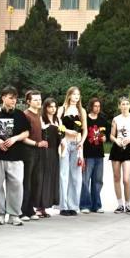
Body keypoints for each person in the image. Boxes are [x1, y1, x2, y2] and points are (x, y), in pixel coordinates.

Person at [0, 86, 28, 226]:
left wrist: (15, 138)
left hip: (16, 155)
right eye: (11, 98)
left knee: (16, 185)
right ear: (3, 97)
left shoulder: (20, 114)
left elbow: (26, 132)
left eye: (15, 98)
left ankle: (14, 214)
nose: (13, 101)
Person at [57, 87, 86, 216]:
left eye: (78, 94)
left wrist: (82, 142)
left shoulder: (81, 110)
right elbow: (57, 125)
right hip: (65, 144)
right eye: (74, 94)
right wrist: (67, 131)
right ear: (69, 95)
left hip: (77, 144)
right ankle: (63, 206)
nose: (76, 97)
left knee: (76, 176)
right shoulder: (62, 109)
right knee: (64, 175)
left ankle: (73, 205)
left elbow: (85, 130)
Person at [109, 97, 130, 214]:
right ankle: (120, 204)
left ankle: (128, 204)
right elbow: (111, 135)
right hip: (117, 148)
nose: (125, 106)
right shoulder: (116, 119)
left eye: (127, 104)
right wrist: (116, 140)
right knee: (116, 177)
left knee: (126, 179)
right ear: (119, 106)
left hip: (128, 148)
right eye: (123, 104)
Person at [21, 91, 46, 220]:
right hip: (28, 151)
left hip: (38, 151)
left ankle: (30, 210)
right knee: (27, 181)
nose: (38, 102)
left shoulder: (38, 115)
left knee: (35, 181)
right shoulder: (26, 115)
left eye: (39, 99)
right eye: (35, 100)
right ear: (28, 102)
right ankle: (23, 211)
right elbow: (23, 137)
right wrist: (37, 143)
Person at [80, 98, 107, 214]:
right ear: (91, 106)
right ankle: (85, 205)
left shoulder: (102, 119)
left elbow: (104, 134)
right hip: (87, 154)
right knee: (85, 180)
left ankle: (97, 205)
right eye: (95, 106)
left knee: (98, 181)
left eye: (99, 106)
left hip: (99, 154)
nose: (97, 108)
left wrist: (104, 138)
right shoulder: (85, 119)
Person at [40, 98, 62, 216]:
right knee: (44, 178)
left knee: (52, 178)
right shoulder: (41, 119)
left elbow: (61, 136)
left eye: (54, 107)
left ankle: (45, 206)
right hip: (44, 151)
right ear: (45, 107)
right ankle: (39, 207)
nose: (53, 109)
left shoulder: (58, 120)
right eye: (50, 107)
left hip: (54, 151)